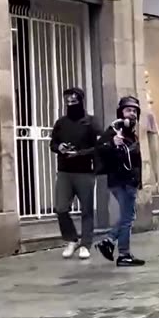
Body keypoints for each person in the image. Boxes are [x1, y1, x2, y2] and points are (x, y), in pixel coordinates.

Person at [50, 87, 102, 260]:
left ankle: (86, 244)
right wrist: (60, 147)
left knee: (86, 210)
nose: (71, 104)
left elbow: (100, 146)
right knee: (61, 208)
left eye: (74, 101)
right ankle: (71, 239)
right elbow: (53, 143)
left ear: (81, 101)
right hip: (64, 171)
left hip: (85, 172)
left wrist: (79, 153)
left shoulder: (91, 122)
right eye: (68, 101)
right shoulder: (61, 123)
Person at [95, 96, 145, 267]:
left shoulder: (132, 134)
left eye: (134, 111)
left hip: (129, 181)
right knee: (128, 217)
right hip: (121, 180)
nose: (131, 114)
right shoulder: (114, 129)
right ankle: (122, 253)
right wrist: (112, 143)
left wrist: (138, 182)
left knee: (127, 216)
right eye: (128, 110)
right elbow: (100, 148)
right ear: (121, 112)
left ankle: (113, 245)